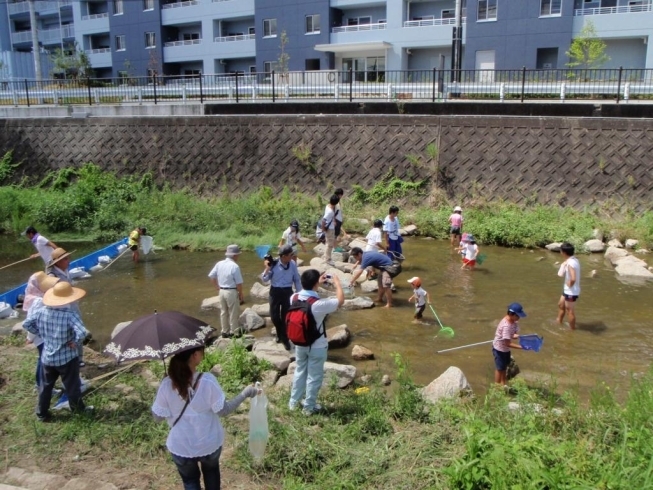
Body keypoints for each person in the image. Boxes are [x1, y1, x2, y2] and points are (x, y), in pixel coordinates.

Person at [152, 345, 258, 490]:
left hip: (181, 446)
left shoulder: (166, 384)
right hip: (209, 443)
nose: (203, 353)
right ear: (194, 355)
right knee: (211, 473)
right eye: (202, 350)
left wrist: (162, 387)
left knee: (190, 482)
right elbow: (223, 411)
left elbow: (157, 417)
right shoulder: (208, 380)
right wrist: (244, 394)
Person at [23, 281, 91, 422]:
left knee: (46, 386)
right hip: (67, 357)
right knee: (72, 385)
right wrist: (75, 342)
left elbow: (27, 324)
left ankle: (41, 413)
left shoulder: (41, 311)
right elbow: (83, 332)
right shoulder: (70, 315)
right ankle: (78, 410)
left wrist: (42, 334)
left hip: (47, 357)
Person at [289, 269, 344, 415]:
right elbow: (340, 301)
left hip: (299, 343)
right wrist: (337, 284)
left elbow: (305, 293)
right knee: (314, 376)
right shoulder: (318, 305)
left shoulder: (293, 297)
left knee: (300, 371)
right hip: (317, 346)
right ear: (315, 284)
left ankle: (293, 403)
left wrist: (315, 284)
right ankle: (309, 407)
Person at [47, 247, 86, 365]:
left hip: (72, 305)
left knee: (77, 330)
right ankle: (74, 359)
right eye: (65, 259)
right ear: (57, 262)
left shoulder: (65, 270)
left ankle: (79, 358)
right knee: (71, 332)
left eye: (68, 258)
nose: (68, 261)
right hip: (63, 309)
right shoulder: (52, 276)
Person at [260, 244, 302, 351]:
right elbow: (264, 279)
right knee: (274, 316)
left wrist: (299, 293)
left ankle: (285, 338)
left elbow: (296, 279)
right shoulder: (273, 264)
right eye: (290, 255)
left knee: (286, 317)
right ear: (283, 256)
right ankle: (279, 332)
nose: (292, 256)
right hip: (275, 291)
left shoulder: (292, 264)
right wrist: (267, 268)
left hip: (288, 291)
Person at [22, 272, 59, 390]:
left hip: (43, 335)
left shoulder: (38, 297)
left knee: (43, 360)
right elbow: (32, 321)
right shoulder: (38, 301)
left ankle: (41, 384)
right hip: (41, 337)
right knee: (44, 362)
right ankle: (41, 385)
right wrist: (30, 337)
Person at [208, 245, 244, 338]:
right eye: (238, 255)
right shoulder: (235, 266)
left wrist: (217, 287)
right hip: (231, 292)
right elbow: (239, 284)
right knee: (233, 312)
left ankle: (224, 331)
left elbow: (211, 276)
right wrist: (241, 294)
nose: (238, 257)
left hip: (221, 291)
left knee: (223, 312)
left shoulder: (219, 263)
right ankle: (234, 333)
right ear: (234, 255)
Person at [492, 302, 526, 385]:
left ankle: (503, 383)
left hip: (505, 349)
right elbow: (507, 343)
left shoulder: (513, 321)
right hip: (499, 349)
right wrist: (521, 347)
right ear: (511, 314)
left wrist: (517, 336)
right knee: (499, 369)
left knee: (504, 367)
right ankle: (496, 387)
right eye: (517, 316)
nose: (519, 318)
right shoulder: (506, 326)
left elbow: (512, 335)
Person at [557, 242, 581, 330]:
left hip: (571, 291)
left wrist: (569, 284)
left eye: (561, 251)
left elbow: (573, 278)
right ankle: (558, 321)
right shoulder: (573, 259)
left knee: (569, 311)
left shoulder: (571, 263)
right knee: (560, 304)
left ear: (564, 252)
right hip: (567, 290)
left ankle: (572, 330)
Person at [321, 194, 340, 266]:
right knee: (330, 245)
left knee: (328, 243)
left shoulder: (328, 206)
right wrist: (323, 229)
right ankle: (327, 259)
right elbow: (323, 220)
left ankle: (326, 256)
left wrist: (333, 221)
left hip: (330, 227)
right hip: (330, 229)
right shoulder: (330, 211)